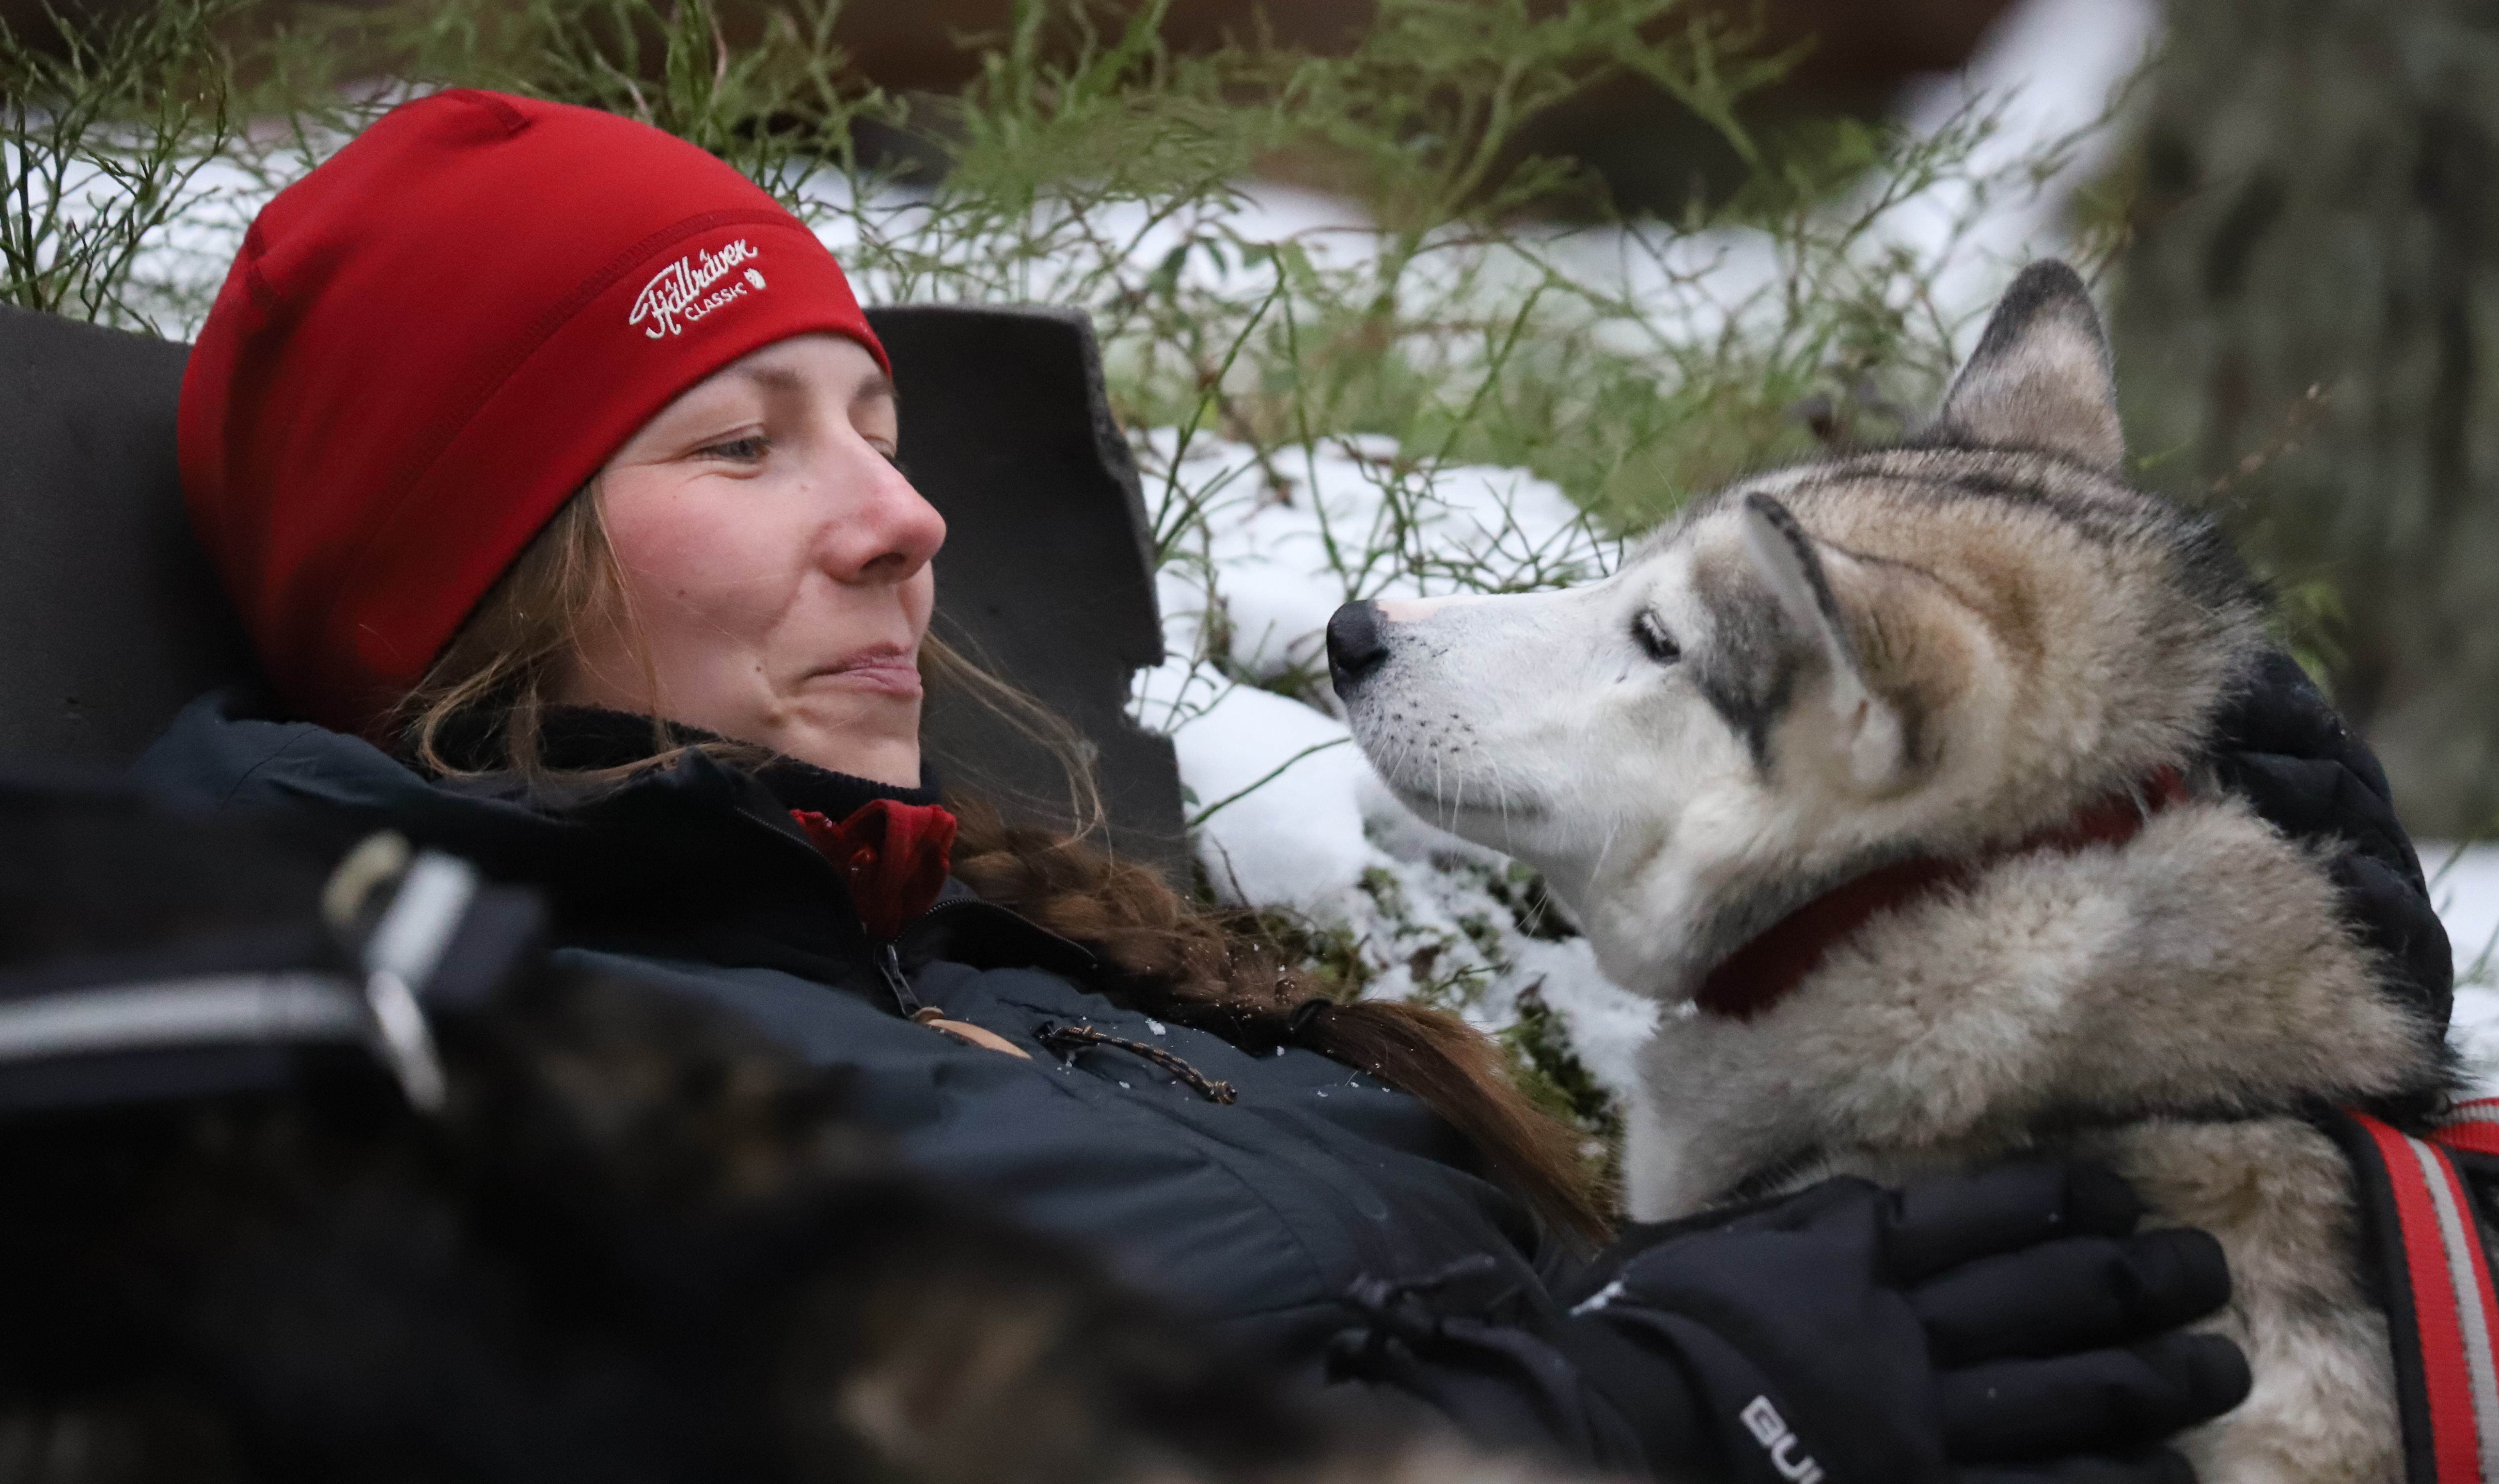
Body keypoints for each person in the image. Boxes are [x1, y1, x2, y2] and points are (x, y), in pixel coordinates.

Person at [140, 88, 2439, 1482]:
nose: (902, 518)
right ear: (483, 588)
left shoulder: (1031, 971)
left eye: (883, 425)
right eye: (740, 448)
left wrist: (2182, 947)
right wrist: (1649, 1426)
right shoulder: (426, 1070)